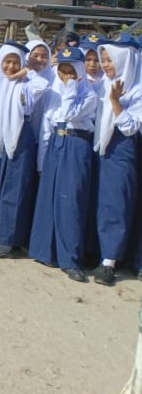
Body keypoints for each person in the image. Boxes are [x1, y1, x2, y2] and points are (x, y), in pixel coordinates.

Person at [28, 46, 98, 281]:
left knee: (71, 202)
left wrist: (71, 86)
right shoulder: (53, 92)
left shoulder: (88, 94)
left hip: (77, 145)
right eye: (62, 70)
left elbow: (69, 114)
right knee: (49, 198)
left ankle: (71, 260)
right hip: (56, 146)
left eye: (71, 71)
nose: (66, 75)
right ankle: (44, 251)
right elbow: (47, 128)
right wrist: (41, 162)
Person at [0, 44, 47, 259]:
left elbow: (42, 85)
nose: (10, 66)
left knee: (15, 191)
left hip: (19, 139)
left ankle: (7, 242)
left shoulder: (25, 85)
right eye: (7, 61)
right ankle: (3, 237)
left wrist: (27, 71)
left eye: (15, 61)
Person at [91, 40, 141, 285]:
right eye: (104, 60)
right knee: (102, 202)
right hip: (102, 146)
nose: (105, 65)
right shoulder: (104, 82)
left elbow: (131, 128)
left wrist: (115, 102)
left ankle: (109, 262)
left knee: (117, 203)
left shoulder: (138, 88)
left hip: (122, 148)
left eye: (110, 60)